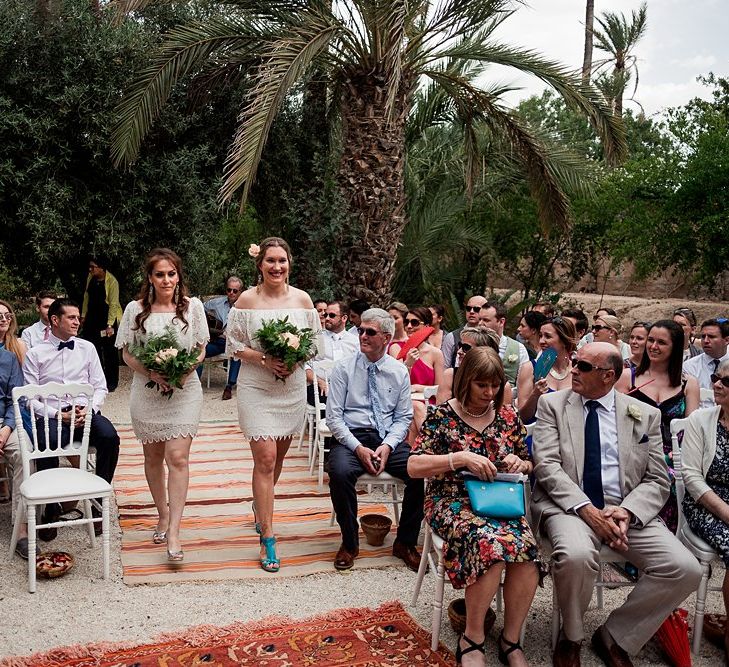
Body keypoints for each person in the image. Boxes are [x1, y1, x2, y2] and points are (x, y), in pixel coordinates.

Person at [532, 342, 702, 667]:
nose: (573, 371)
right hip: (570, 507)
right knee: (577, 556)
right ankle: (572, 636)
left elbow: (657, 479)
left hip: (625, 511)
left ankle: (616, 635)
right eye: (575, 363)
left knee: (684, 568)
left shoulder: (643, 414)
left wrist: (627, 511)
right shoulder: (553, 405)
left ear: (609, 376)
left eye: (583, 367)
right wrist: (588, 511)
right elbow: (547, 467)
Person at [409, 347, 542, 667]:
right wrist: (459, 458)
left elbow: (529, 463)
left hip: (499, 499)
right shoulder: (442, 416)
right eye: (482, 385)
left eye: (495, 385)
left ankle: (510, 640)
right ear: (466, 381)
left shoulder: (508, 417)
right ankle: (472, 637)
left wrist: (519, 463)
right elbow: (414, 466)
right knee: (490, 549)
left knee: (526, 553)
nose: (490, 392)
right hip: (451, 499)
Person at [226, 237, 321, 572]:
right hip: (256, 385)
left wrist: (297, 360)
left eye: (282, 260)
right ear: (260, 264)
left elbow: (314, 343)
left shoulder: (302, 299)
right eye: (270, 261)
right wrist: (264, 359)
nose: (277, 267)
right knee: (264, 458)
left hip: (291, 387)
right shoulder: (247, 301)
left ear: (289, 263)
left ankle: (259, 506)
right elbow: (233, 345)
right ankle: (267, 535)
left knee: (276, 459)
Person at [116, 249, 208, 562]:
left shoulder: (193, 309)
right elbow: (127, 353)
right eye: (159, 274)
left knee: (177, 457)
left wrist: (183, 369)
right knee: (153, 456)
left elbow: (200, 349)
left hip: (184, 391)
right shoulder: (134, 309)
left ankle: (175, 531)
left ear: (178, 275)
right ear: (150, 278)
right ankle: (163, 514)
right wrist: (151, 371)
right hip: (147, 391)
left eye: (171, 273)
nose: (166, 280)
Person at [325, 308, 424, 572]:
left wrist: (387, 446)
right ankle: (349, 541)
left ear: (387, 337)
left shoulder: (398, 371)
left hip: (386, 437)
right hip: (352, 437)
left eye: (370, 332)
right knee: (339, 471)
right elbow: (334, 418)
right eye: (361, 330)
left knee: (422, 471)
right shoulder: (344, 368)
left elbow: (404, 418)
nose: (363, 336)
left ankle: (405, 542)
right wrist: (358, 449)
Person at [22, 298, 120, 541]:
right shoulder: (35, 354)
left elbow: (100, 386)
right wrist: (58, 414)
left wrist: (90, 409)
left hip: (85, 412)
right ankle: (51, 508)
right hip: (54, 415)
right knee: (48, 441)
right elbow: (29, 398)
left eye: (78, 317)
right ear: (55, 320)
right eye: (72, 317)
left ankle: (98, 501)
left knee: (110, 437)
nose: (78, 321)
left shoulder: (88, 348)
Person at [616, 319, 699, 532]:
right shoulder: (628, 378)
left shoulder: (688, 383)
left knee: (674, 475)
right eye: (651, 340)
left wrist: (681, 454)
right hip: (633, 448)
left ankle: (665, 536)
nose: (653, 346)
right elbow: (614, 420)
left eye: (661, 342)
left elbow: (690, 429)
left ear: (676, 347)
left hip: (672, 453)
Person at [680, 359, 729, 660]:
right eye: (716, 378)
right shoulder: (701, 420)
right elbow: (692, 479)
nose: (718, 384)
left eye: (727, 381)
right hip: (706, 503)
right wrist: (726, 512)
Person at [519, 317, 577, 423]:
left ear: (564, 341)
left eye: (548, 336)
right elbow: (523, 417)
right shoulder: (530, 368)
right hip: (539, 432)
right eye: (540, 336)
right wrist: (535, 394)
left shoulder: (577, 371)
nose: (541, 341)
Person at [436, 327, 513, 405]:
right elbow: (441, 411)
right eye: (460, 346)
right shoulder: (450, 375)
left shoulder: (504, 385)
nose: (459, 352)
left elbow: (504, 415)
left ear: (484, 352)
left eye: (466, 348)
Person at [0, 346, 28, 558]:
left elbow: (16, 399)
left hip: (5, 424)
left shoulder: (8, 358)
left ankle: (22, 531)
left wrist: (6, 429)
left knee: (23, 451)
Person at [81, 256, 123, 392]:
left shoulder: (112, 282)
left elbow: (114, 304)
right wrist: (83, 316)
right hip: (92, 318)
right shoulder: (90, 278)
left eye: (93, 267)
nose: (90, 269)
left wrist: (110, 325)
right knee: (93, 349)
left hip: (107, 320)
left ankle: (111, 382)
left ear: (101, 267)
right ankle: (96, 380)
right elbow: (86, 297)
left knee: (110, 351)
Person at [198, 276, 243, 400]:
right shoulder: (218, 303)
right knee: (200, 351)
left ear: (240, 292)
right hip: (219, 342)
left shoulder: (245, 305)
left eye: (235, 291)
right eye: (229, 290)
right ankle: (195, 384)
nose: (231, 293)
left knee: (237, 352)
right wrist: (207, 322)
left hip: (235, 342)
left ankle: (229, 386)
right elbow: (199, 307)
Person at [478, 301, 533, 402]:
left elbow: (523, 386)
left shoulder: (519, 348)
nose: (480, 324)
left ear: (501, 322)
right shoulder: (471, 346)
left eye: (486, 320)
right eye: (480, 319)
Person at [306, 300, 358, 404]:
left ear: (344, 318)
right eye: (326, 315)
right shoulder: (316, 338)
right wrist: (319, 382)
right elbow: (305, 366)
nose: (327, 318)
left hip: (348, 390)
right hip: (320, 389)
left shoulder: (355, 341)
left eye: (332, 315)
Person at [390, 307, 445, 393]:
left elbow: (440, 390)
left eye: (414, 322)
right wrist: (408, 365)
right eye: (406, 322)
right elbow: (398, 384)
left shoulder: (436, 353)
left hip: (428, 403)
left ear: (426, 326)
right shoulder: (396, 348)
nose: (409, 326)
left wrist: (417, 388)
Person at [683, 318, 729, 404]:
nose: (706, 341)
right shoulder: (689, 367)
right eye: (703, 336)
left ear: (726, 340)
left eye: (711, 337)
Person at [441, 295, 487, 369]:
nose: (471, 312)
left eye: (476, 309)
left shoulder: (489, 337)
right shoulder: (452, 336)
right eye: (468, 308)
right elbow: (444, 368)